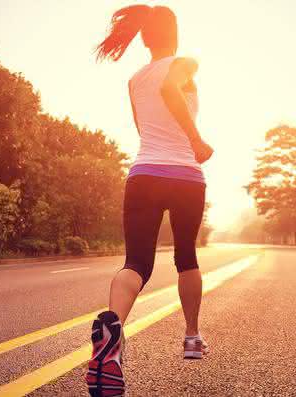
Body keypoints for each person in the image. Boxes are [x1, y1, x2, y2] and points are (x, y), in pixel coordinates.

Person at [85, 4, 214, 396]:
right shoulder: (184, 62)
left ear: (144, 38)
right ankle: (191, 337)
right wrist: (194, 139)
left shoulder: (134, 78)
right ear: (174, 33)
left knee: (136, 263)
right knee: (186, 255)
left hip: (144, 173)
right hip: (186, 174)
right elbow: (169, 89)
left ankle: (113, 334)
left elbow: (143, 127)